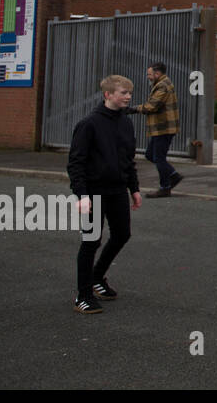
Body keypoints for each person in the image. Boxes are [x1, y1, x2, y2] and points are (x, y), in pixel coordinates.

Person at [67, 75, 143, 314]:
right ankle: (83, 295)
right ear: (108, 95)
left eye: (129, 93)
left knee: (122, 234)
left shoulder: (126, 123)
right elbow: (76, 163)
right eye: (123, 93)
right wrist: (82, 195)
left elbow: (128, 159)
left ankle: (97, 278)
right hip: (94, 192)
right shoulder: (89, 124)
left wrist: (135, 189)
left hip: (118, 190)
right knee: (91, 241)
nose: (128, 97)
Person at [132, 61, 182, 198]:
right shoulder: (161, 84)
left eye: (149, 74)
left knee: (159, 158)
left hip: (164, 127)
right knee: (150, 155)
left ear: (157, 73)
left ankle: (165, 187)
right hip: (161, 128)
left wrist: (133, 109)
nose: (148, 76)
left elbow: (152, 106)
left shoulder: (163, 86)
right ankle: (173, 175)